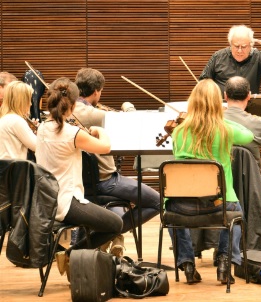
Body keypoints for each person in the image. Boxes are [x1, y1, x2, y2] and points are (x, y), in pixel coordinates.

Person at [34, 78, 123, 278]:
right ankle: (71, 255)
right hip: (67, 203)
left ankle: (73, 258)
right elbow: (105, 147)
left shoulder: (42, 128)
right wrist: (100, 131)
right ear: (73, 106)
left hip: (46, 201)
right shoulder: (72, 133)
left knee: (102, 220)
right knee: (115, 224)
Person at [169, 79, 254, 285]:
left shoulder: (178, 132)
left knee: (169, 211)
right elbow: (249, 136)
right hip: (219, 204)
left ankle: (187, 263)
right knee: (236, 214)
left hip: (182, 206)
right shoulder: (225, 130)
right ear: (218, 103)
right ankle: (224, 262)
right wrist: (223, 118)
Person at [74, 67, 160, 257]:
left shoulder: (68, 111)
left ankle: (103, 237)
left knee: (119, 205)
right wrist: (127, 106)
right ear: (96, 91)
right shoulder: (97, 115)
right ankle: (107, 234)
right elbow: (132, 120)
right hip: (105, 181)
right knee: (157, 202)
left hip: (78, 184)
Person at [199, 25, 261, 94]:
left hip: (249, 105)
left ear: (251, 45)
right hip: (221, 105)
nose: (239, 50)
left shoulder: (258, 56)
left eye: (244, 47)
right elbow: (204, 81)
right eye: (236, 46)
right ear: (230, 44)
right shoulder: (218, 56)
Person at [223, 76, 261, 168]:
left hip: (220, 176)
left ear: (225, 96)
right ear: (249, 95)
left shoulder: (212, 120)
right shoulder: (258, 123)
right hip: (251, 176)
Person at [0, 81, 37, 160]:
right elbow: (37, 146)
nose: (30, 104)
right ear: (21, 101)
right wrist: (41, 133)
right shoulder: (16, 120)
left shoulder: (5, 118)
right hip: (13, 167)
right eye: (29, 100)